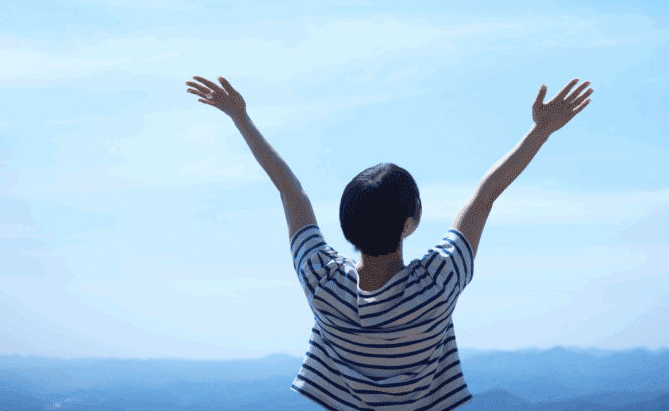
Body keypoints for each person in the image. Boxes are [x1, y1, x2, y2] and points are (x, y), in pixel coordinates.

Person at [185, 76, 593, 411]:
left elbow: (292, 194)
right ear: (410, 224)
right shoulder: (436, 284)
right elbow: (485, 196)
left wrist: (241, 118)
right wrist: (541, 130)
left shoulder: (323, 283)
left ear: (345, 224)